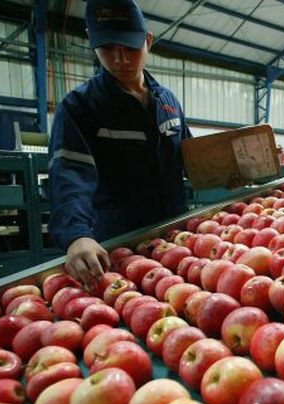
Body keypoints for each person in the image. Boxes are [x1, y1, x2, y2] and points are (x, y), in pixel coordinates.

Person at [48, 0, 192, 286]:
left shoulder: (167, 101)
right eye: (108, 49)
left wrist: (237, 164)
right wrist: (77, 236)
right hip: (121, 244)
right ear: (92, 42)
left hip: (177, 238)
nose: (120, 59)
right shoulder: (81, 107)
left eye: (130, 48)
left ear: (148, 41)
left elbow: (190, 157)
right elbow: (69, 176)